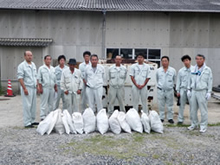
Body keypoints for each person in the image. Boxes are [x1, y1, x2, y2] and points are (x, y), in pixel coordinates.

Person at [187, 54, 213, 133]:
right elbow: (189, 80)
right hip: (194, 91)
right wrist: (188, 89)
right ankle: (194, 124)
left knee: (203, 110)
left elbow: (210, 81)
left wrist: (209, 92)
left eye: (200, 59)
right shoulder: (192, 69)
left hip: (202, 91)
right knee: (192, 109)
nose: (198, 60)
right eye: (197, 59)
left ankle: (203, 126)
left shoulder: (207, 70)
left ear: (204, 60)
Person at [17, 51, 38, 128]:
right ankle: (27, 122)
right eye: (28, 55)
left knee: (33, 105)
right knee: (27, 105)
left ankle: (32, 120)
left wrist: (37, 85)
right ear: (25, 56)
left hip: (33, 87)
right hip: (27, 87)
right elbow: (20, 78)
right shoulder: (22, 66)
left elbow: (35, 76)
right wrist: (24, 88)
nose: (30, 57)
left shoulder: (33, 65)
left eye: (31, 55)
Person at [156, 56, 176, 124]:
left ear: (168, 62)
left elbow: (174, 80)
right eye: (163, 61)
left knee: (170, 105)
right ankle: (161, 117)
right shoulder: (158, 70)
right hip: (161, 90)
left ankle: (170, 118)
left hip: (169, 90)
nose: (164, 62)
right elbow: (157, 79)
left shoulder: (172, 70)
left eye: (166, 61)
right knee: (161, 105)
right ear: (161, 62)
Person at [37, 55, 57, 121]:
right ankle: (42, 116)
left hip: (52, 87)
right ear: (44, 60)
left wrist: (55, 87)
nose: (48, 61)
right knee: (44, 103)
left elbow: (55, 79)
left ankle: (50, 115)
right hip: (45, 87)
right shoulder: (41, 68)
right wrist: (40, 88)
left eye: (49, 59)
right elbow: (39, 79)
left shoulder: (53, 69)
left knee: (51, 103)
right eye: (47, 59)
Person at [176, 55, 194, 125]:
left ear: (190, 60)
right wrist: (177, 91)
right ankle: (180, 119)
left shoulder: (194, 69)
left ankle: (193, 120)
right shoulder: (181, 71)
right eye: (184, 61)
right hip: (183, 89)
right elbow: (178, 81)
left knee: (192, 106)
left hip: (191, 90)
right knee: (181, 105)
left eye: (187, 60)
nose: (186, 62)